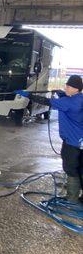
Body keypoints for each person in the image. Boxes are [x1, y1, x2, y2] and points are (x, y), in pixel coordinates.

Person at [15, 75, 83, 203]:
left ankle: (72, 200)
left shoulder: (69, 103)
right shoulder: (79, 99)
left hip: (72, 142)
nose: (65, 87)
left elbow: (46, 101)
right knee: (80, 168)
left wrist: (28, 95)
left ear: (75, 88)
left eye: (68, 86)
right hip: (80, 142)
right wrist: (63, 94)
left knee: (71, 169)